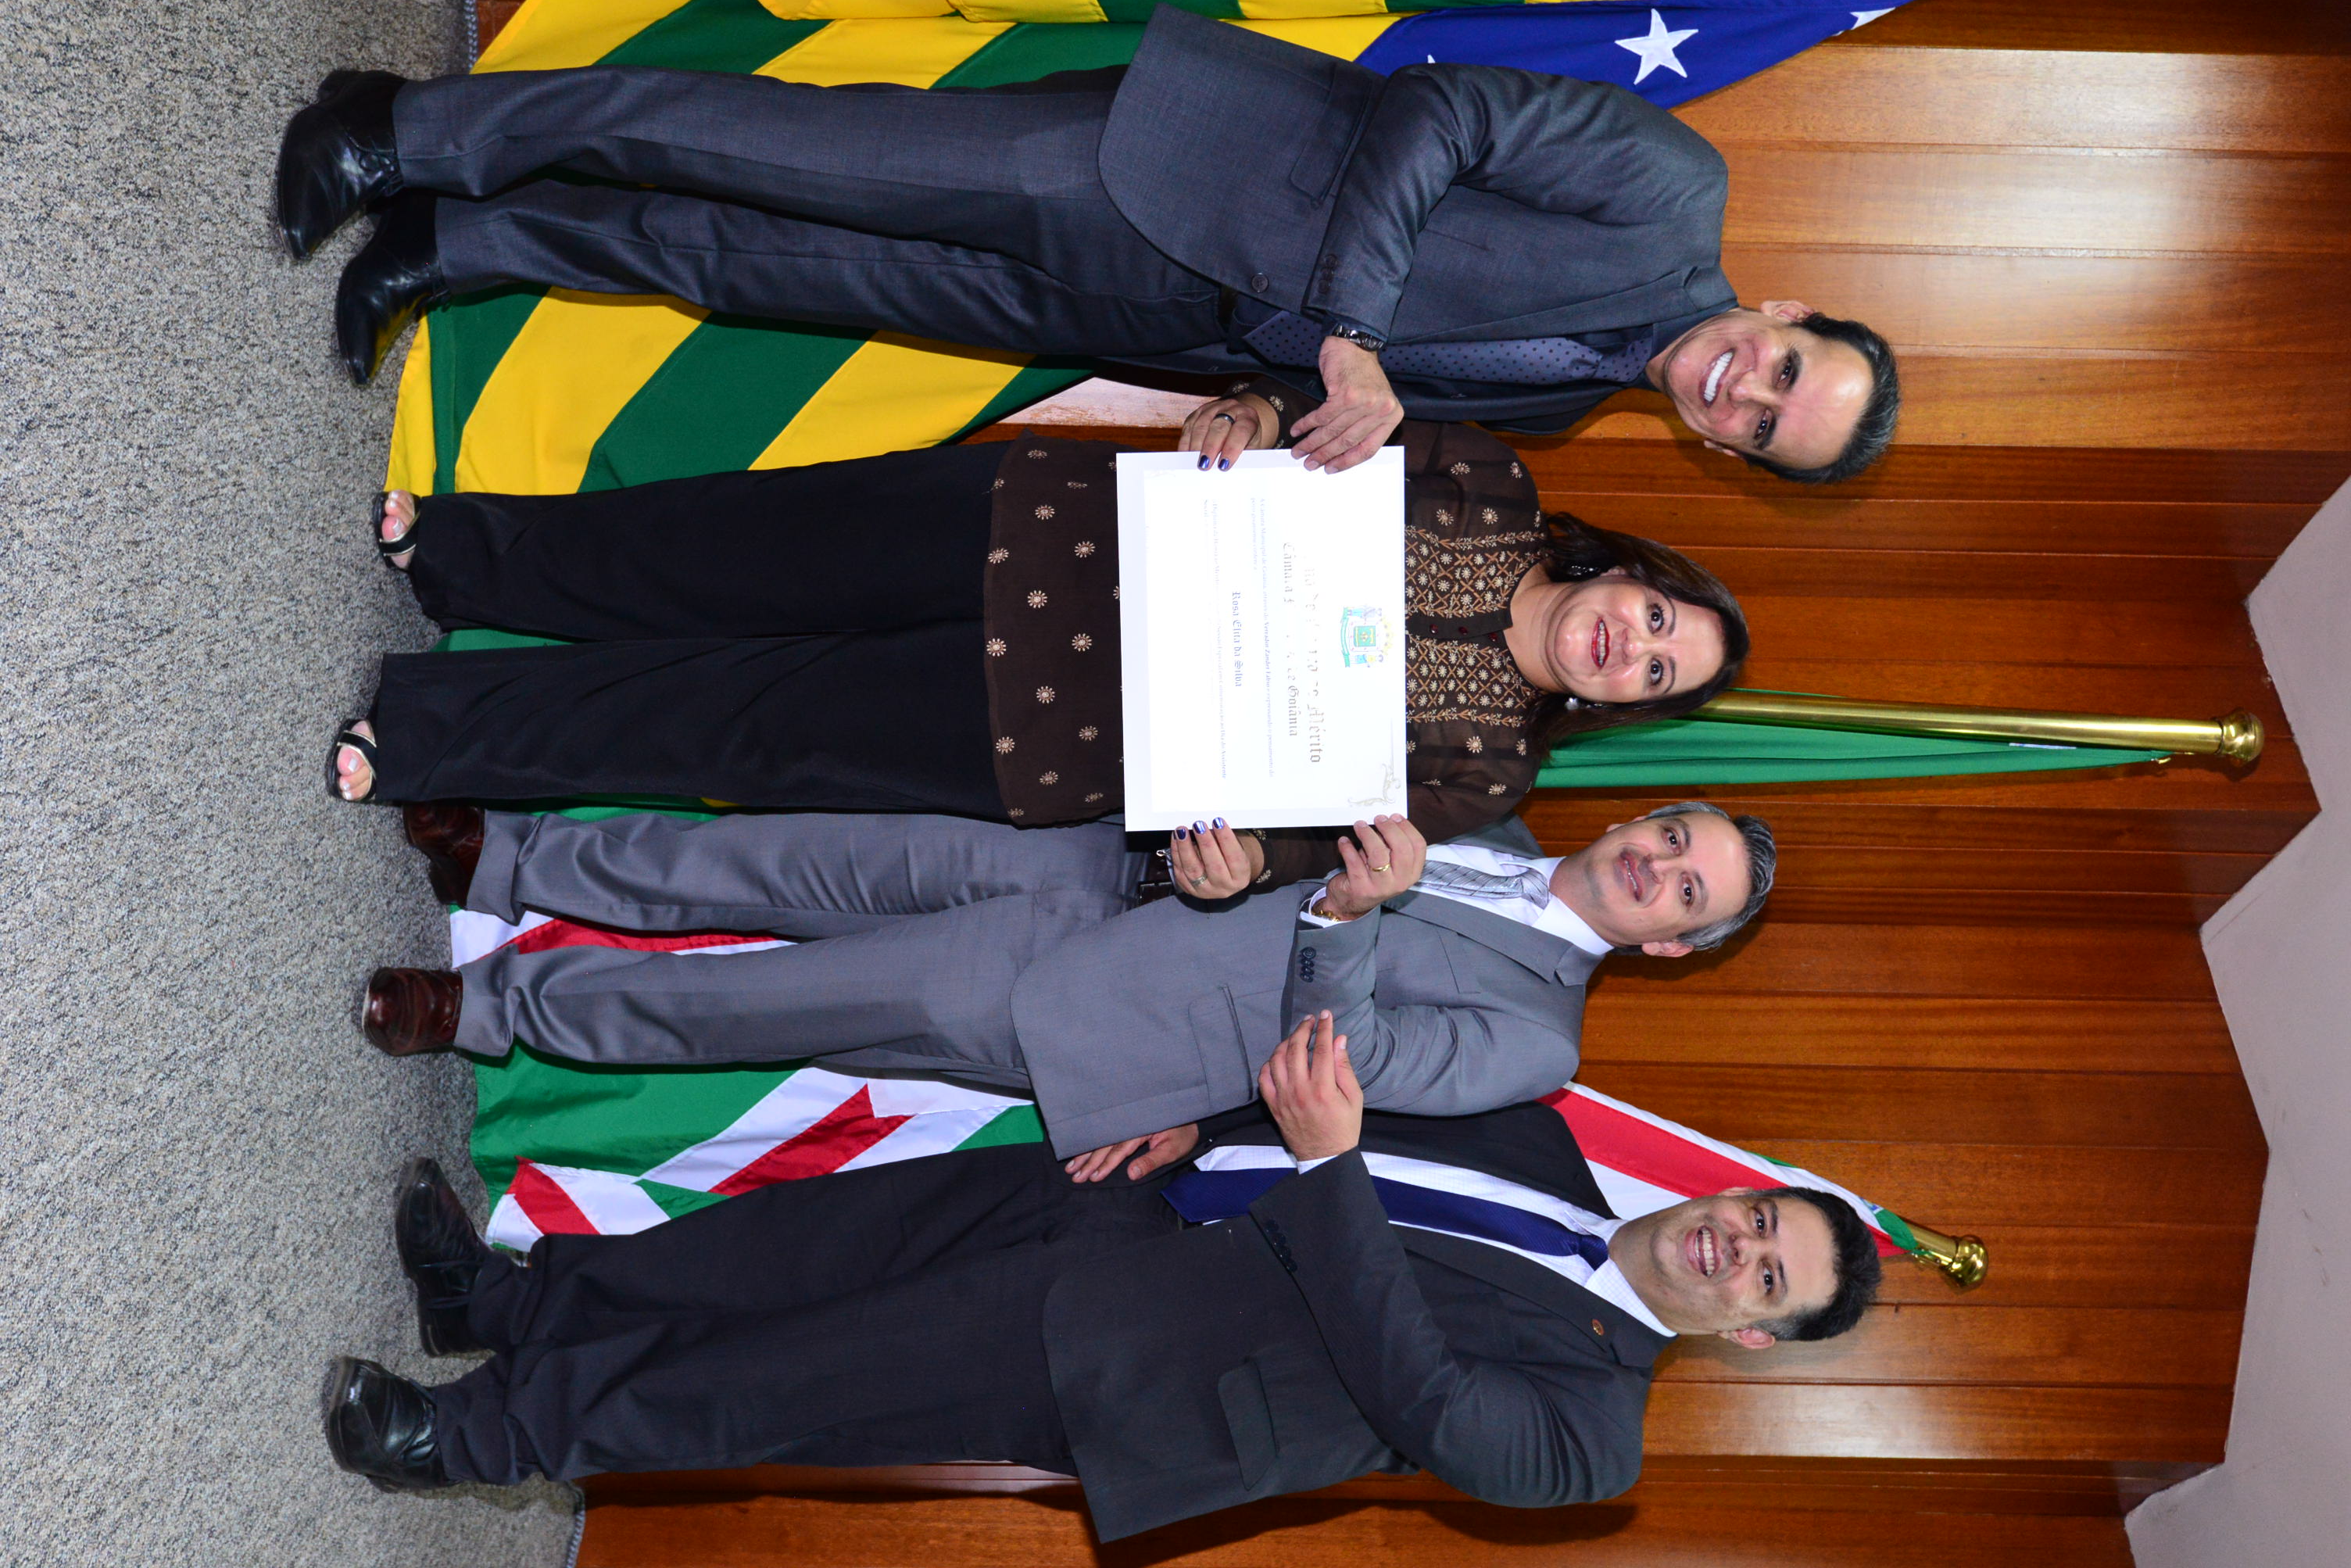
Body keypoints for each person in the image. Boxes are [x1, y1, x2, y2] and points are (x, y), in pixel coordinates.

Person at [324, 1015, 1881, 1536]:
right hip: (1119, 1204)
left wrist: (1327, 1165)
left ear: (1751, 1331)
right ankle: (507, 1304)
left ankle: (464, 1438)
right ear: (1730, 1189)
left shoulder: (1593, 1439)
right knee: (778, 1251)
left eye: (1766, 1274)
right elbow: (1336, 1090)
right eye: (1759, 1215)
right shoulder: (1539, 1139)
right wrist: (1202, 1122)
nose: (1736, 1243)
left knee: (773, 1381)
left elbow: (1424, 1393)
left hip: (1126, 1364)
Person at [277, 7, 1900, 480]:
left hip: (1134, 315)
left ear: (1731, 453)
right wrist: (1350, 329)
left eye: (1764, 427)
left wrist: (1266, 405)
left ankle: (460, 241)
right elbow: (1441, 109)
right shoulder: (1672, 190)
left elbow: (1347, 380)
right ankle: (403, 125)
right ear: (1785, 309)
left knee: (758, 268)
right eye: (1784, 369)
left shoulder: (1571, 401)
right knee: (768, 146)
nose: (1744, 392)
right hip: (1162, 166)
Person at [324, 387, 1749, 894]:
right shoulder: (1490, 479)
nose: (1631, 645)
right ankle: (461, 551)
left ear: (1628, 703)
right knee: (724, 546)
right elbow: (1303, 417)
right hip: (1046, 527)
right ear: (1637, 573)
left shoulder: (1491, 772)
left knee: (730, 728)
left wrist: (1241, 868)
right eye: (1658, 618)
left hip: (1047, 732)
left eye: (1657, 671)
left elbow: (1304, 842)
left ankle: (434, 733)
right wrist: (1253, 414)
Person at [362, 801, 1773, 1164]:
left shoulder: (1538, 1042)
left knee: (761, 1005)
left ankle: (486, 1012)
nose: (1656, 864)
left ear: (1672, 946)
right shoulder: (1492, 817)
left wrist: (1346, 910)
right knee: (782, 859)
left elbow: (1347, 1065)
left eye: (1684, 890)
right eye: (1672, 836)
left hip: (1096, 1006)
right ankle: (516, 859)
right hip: (1106, 858)